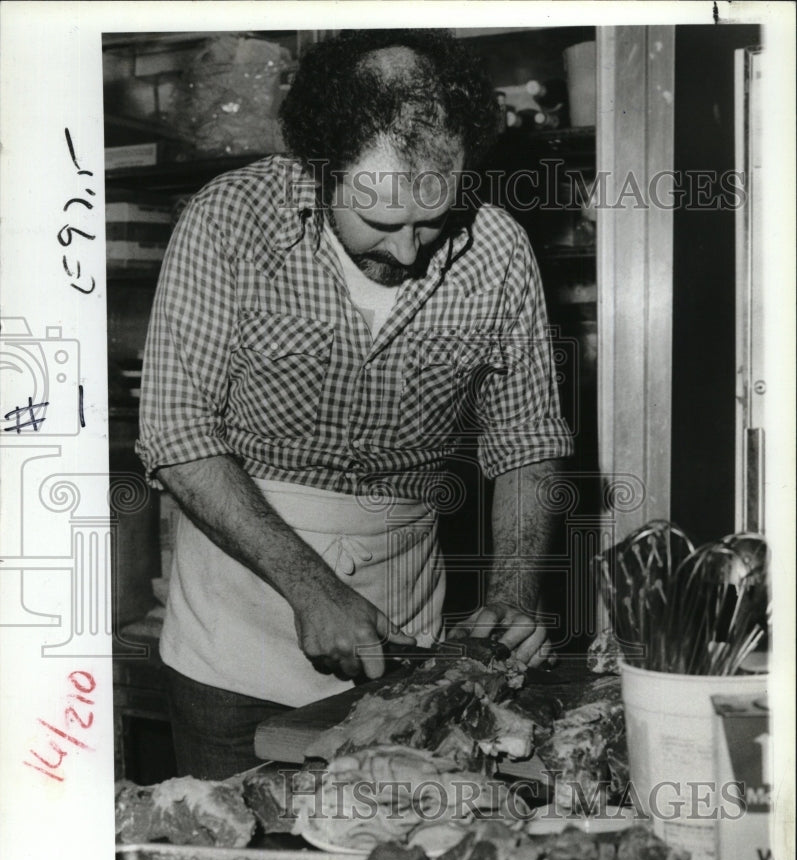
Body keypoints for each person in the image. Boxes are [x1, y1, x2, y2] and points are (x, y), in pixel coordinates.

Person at [137, 29, 574, 779]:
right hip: (233, 633)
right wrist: (313, 589)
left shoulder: (499, 250)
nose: (408, 253)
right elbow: (178, 434)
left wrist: (512, 593)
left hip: (405, 631)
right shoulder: (229, 219)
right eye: (380, 223)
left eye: (431, 221)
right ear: (320, 168)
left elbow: (526, 441)